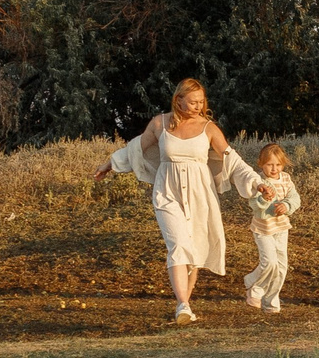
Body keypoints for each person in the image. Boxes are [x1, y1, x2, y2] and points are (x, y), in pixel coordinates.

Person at [88, 77, 259, 325]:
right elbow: (136, 148)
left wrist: (256, 182)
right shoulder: (160, 123)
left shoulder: (208, 128)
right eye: (192, 102)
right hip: (167, 192)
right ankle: (183, 305)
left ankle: (185, 306)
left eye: (201, 102)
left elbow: (232, 159)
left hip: (200, 194)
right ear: (178, 100)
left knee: (194, 248)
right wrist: (109, 165)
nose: (198, 107)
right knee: (178, 244)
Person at [241, 143, 300, 313]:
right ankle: (254, 285)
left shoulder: (286, 178)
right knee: (270, 263)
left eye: (278, 165)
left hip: (281, 227)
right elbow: (254, 205)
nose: (274, 169)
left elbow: (295, 198)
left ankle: (270, 302)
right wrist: (264, 199)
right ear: (261, 164)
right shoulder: (259, 182)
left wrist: (286, 206)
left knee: (281, 267)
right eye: (269, 165)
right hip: (263, 229)